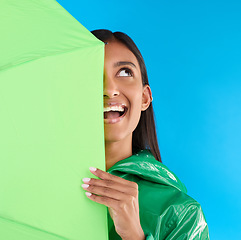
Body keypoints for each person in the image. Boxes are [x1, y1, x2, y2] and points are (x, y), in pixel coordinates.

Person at [81, 29, 210, 240]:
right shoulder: (34, 184)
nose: (109, 89)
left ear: (144, 98)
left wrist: (133, 235)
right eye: (91, 72)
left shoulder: (182, 215)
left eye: (124, 72)